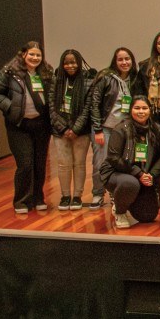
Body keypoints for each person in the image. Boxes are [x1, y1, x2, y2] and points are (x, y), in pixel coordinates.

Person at [0, 41, 55, 213]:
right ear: (23, 54)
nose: (35, 58)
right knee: (25, 163)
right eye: (32, 54)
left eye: (38, 55)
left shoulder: (47, 73)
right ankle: (22, 200)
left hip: (41, 125)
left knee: (39, 164)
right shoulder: (10, 72)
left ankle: (38, 197)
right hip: (19, 125)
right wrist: (10, 107)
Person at [100, 96, 160, 228]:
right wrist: (138, 173)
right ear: (130, 110)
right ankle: (120, 211)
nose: (141, 111)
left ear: (150, 110)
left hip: (145, 175)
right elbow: (113, 157)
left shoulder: (157, 130)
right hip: (117, 173)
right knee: (130, 183)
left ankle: (125, 202)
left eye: (144, 108)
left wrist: (151, 174)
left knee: (148, 216)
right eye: (137, 108)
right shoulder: (121, 128)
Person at [88, 47, 140, 209]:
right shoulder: (105, 78)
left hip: (125, 130)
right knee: (101, 162)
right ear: (115, 62)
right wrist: (97, 129)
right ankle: (97, 193)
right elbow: (95, 104)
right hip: (104, 128)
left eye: (127, 59)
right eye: (121, 59)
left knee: (121, 162)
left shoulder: (136, 80)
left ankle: (114, 192)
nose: (124, 62)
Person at [50, 49, 95, 210]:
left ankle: (77, 196)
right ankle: (65, 196)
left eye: (74, 62)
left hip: (81, 131)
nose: (71, 65)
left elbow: (87, 108)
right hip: (59, 131)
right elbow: (51, 107)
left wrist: (75, 128)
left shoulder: (88, 81)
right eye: (67, 62)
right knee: (63, 164)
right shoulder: (55, 81)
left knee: (80, 164)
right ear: (62, 64)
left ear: (79, 62)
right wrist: (63, 128)